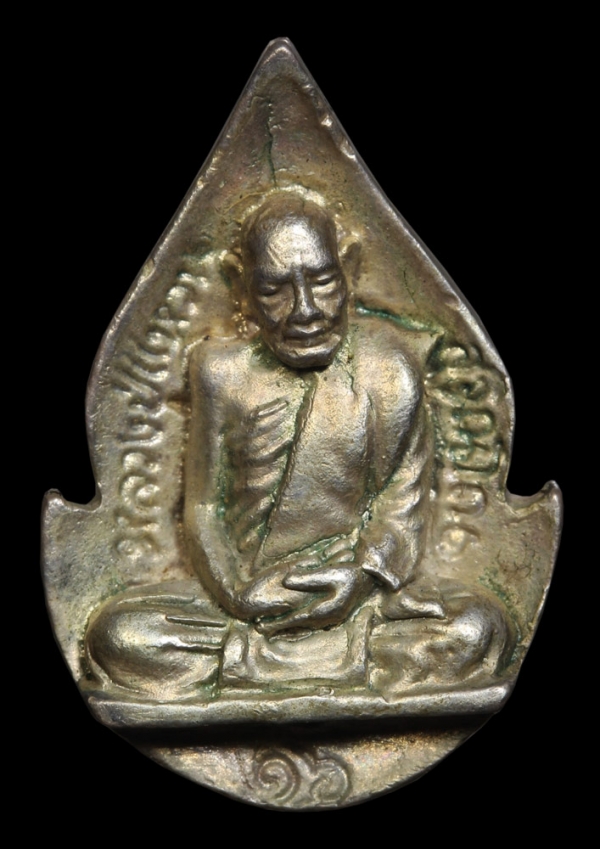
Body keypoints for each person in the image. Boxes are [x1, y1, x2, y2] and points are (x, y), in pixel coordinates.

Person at [86, 193, 513, 698]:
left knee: (477, 628)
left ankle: (262, 672)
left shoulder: (390, 368)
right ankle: (327, 669)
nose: (305, 311)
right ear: (240, 286)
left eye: (324, 282)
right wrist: (238, 595)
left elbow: (402, 506)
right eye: (274, 290)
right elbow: (201, 509)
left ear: (350, 268)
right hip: (249, 600)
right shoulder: (219, 371)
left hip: (355, 597)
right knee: (120, 635)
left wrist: (361, 577)